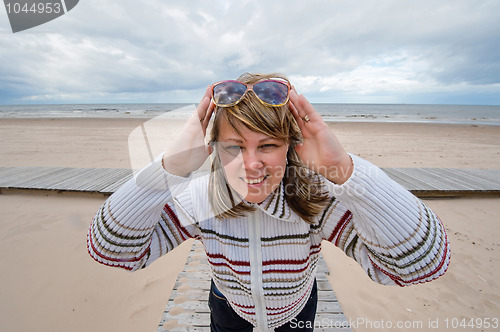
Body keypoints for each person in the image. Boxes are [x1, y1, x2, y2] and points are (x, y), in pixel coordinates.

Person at [87, 73, 450, 331]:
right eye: (233, 146)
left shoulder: (313, 200)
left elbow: (419, 264)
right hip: (229, 310)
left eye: (268, 145)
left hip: (296, 312)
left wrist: (343, 170)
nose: (250, 164)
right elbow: (114, 250)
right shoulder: (202, 199)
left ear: (291, 146)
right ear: (213, 147)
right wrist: (171, 167)